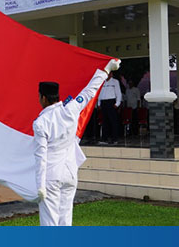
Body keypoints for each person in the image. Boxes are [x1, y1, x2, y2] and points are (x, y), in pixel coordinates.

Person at [33, 58, 119, 226]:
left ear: (43, 98)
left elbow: (41, 156)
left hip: (51, 174)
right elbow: (89, 91)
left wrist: (39, 185)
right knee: (66, 221)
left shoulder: (40, 122)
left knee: (50, 223)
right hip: (70, 172)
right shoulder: (71, 108)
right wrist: (106, 70)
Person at [97, 70, 123, 144]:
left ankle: (114, 139)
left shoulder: (115, 82)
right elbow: (99, 93)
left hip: (111, 102)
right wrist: (98, 104)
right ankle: (104, 139)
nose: (107, 75)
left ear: (111, 74)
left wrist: (117, 103)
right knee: (105, 122)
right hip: (103, 103)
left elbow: (118, 93)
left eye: (108, 73)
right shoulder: (102, 82)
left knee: (113, 122)